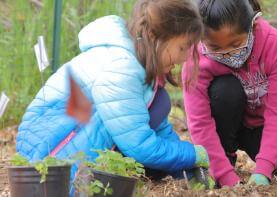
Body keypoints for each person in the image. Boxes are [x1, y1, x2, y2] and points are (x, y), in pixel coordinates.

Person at [16, 0, 209, 189]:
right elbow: (140, 145)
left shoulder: (136, 63)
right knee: (144, 137)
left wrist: (187, 168)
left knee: (158, 102)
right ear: (153, 36)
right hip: (51, 155)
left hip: (68, 139)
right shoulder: (122, 69)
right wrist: (192, 154)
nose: (184, 57)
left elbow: (157, 127)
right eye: (182, 47)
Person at [182, 0, 277, 187]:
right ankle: (225, 157)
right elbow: (199, 122)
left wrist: (264, 169)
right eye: (216, 48)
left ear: (252, 25)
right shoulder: (195, 57)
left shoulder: (274, 45)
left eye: (236, 43)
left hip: (259, 126)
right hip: (223, 126)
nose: (228, 54)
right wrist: (224, 175)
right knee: (226, 89)